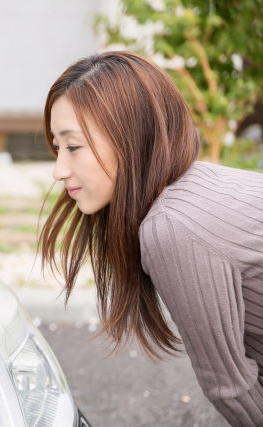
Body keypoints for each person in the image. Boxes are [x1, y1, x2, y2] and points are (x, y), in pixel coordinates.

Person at [40, 51, 263, 426]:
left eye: (74, 147)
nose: (59, 170)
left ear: (132, 138)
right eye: (57, 147)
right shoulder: (201, 184)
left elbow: (233, 388)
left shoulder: (173, 227)